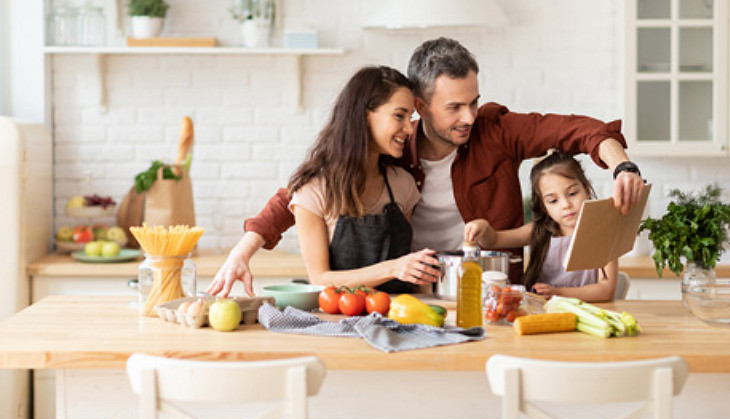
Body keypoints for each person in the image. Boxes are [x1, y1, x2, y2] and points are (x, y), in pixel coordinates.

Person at [207, 37, 645, 298]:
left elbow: (578, 130)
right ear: (420, 106)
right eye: (454, 107)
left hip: (493, 295)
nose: (469, 117)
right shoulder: (394, 149)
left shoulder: (497, 131)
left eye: (473, 101)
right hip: (416, 296)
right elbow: (302, 193)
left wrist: (621, 165)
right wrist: (240, 253)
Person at [283, 65, 438, 292]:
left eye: (410, 117)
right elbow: (320, 278)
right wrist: (393, 268)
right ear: (365, 116)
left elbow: (407, 275)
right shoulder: (313, 191)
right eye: (399, 116)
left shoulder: (403, 185)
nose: (409, 128)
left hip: (401, 317)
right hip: (340, 320)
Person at [465, 150, 617, 302]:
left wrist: (558, 293)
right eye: (553, 201)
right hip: (541, 313)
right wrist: (483, 227)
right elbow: (494, 241)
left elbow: (606, 290)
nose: (566, 205)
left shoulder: (602, 234)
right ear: (544, 206)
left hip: (587, 314)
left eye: (572, 193)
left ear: (587, 190)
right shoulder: (538, 231)